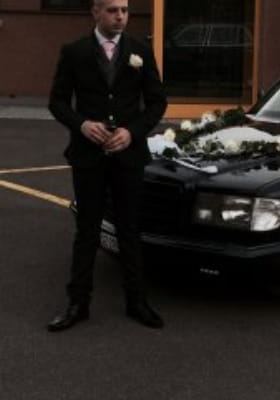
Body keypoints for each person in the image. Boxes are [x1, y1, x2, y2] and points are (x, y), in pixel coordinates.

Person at [47, 0, 167, 331]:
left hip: (128, 157)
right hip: (88, 157)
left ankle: (137, 302)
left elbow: (157, 102)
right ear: (96, 12)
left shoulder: (141, 50)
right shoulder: (74, 52)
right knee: (87, 230)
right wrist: (82, 125)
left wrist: (132, 132)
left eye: (124, 10)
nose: (120, 16)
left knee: (129, 228)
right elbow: (57, 102)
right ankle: (78, 303)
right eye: (113, 10)